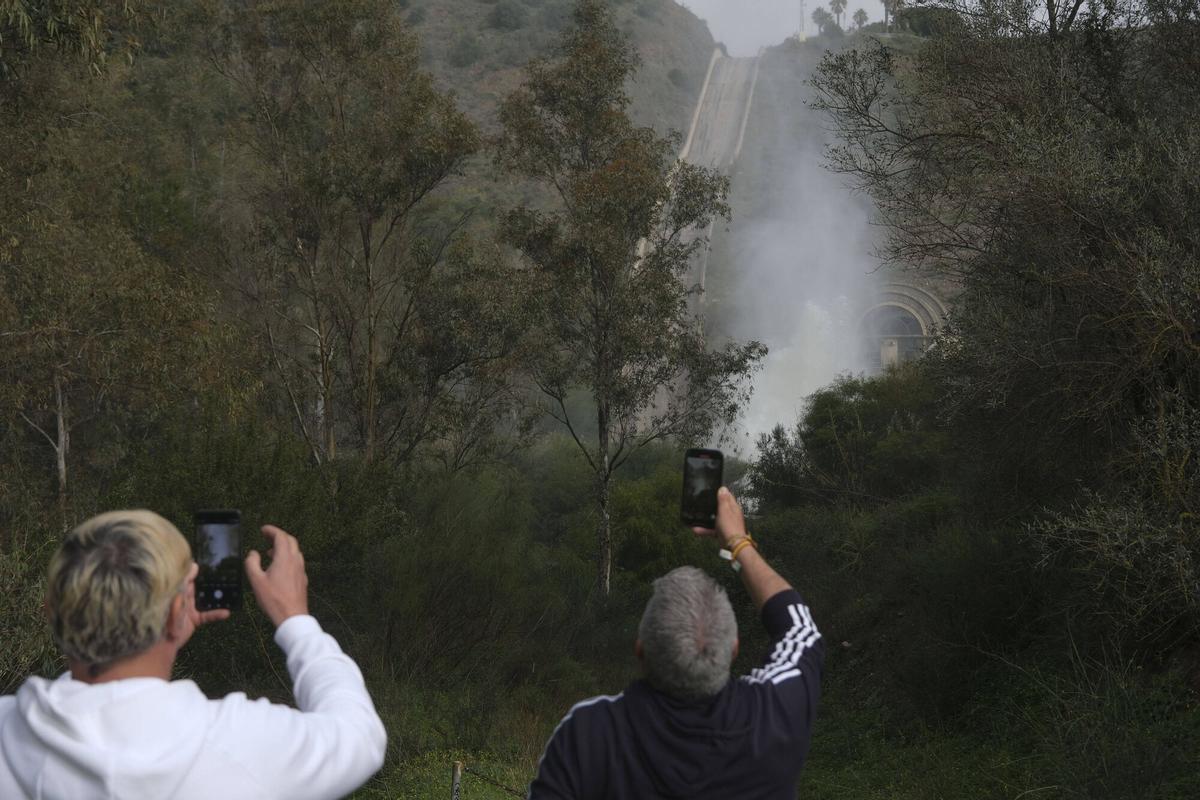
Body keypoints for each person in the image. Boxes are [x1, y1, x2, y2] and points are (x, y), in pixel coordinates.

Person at [0, 510, 387, 800]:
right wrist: (295, 620)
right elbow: (359, 736)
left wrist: (160, 634)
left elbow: (94, 703)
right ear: (175, 613)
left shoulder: (9, 733)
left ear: (51, 611)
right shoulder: (239, 742)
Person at [528, 487, 823, 800]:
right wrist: (738, 543)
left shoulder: (589, 734)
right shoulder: (773, 717)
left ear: (640, 650)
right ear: (733, 649)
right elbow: (799, 626)